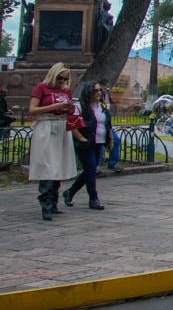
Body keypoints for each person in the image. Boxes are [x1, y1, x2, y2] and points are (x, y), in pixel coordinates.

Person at [28, 63, 78, 220]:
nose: (62, 81)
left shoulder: (66, 91)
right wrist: (55, 105)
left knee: (59, 165)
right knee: (47, 165)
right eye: (60, 78)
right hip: (46, 125)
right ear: (53, 75)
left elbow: (70, 112)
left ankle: (54, 202)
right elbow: (32, 110)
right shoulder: (42, 88)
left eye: (65, 79)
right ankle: (46, 204)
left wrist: (69, 108)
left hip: (61, 126)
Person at [64, 83, 111, 210]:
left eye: (100, 90)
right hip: (85, 143)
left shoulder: (102, 106)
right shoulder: (80, 106)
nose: (99, 93)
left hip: (99, 142)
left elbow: (107, 124)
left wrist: (110, 139)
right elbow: (72, 124)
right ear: (88, 92)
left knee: (90, 170)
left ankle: (70, 192)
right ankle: (93, 198)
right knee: (90, 168)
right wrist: (81, 138)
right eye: (95, 90)